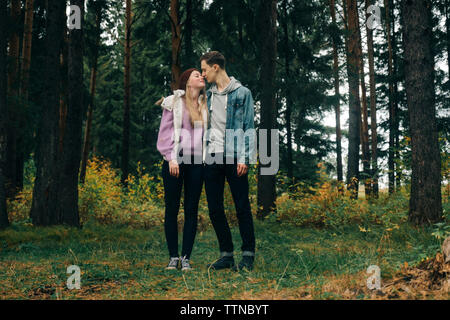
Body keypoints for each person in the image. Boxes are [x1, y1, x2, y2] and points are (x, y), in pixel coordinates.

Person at [200, 51, 257, 271]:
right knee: (214, 208)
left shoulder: (243, 93)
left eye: (205, 69)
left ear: (216, 67)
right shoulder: (209, 96)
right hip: (212, 158)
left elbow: (249, 127)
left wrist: (245, 158)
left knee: (242, 207)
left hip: (235, 157)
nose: (203, 74)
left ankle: (248, 255)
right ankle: (226, 255)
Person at [156, 68, 208, 271]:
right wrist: (171, 158)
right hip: (175, 162)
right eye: (197, 75)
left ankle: (186, 257)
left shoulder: (205, 105)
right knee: (172, 208)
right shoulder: (174, 102)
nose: (201, 77)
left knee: (191, 210)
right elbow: (164, 132)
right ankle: (173, 257)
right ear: (187, 81)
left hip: (197, 162)